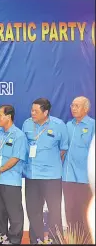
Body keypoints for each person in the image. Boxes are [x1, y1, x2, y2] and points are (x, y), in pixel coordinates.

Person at [22, 98, 68, 243]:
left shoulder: (58, 125)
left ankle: (56, 240)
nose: (32, 113)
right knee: (33, 211)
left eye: (36, 111)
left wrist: (50, 162)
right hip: (32, 175)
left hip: (52, 176)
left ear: (46, 112)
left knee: (54, 211)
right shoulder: (27, 123)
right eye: (31, 110)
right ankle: (36, 240)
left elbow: (63, 149)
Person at [0, 105, 27, 244]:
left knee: (14, 213)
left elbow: (15, 158)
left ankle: (14, 239)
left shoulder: (18, 135)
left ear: (8, 116)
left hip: (10, 181)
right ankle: (0, 237)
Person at [63, 96, 95, 235]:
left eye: (77, 106)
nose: (73, 108)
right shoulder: (68, 125)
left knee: (86, 216)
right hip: (68, 177)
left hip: (86, 179)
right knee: (71, 215)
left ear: (86, 108)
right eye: (72, 105)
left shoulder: (92, 125)